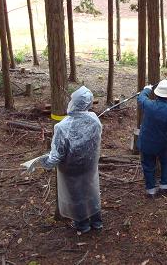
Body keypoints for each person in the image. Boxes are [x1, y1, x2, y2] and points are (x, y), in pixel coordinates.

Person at [40, 86, 103, 234]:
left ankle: (83, 225)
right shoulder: (94, 120)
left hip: (71, 169)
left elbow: (56, 156)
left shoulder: (62, 127)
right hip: (89, 166)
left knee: (77, 196)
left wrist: (43, 162)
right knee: (91, 191)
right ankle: (97, 222)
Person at [137, 79, 167, 198]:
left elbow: (140, 98)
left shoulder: (148, 105)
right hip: (164, 144)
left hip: (147, 143)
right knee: (166, 162)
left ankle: (151, 190)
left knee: (148, 165)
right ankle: (165, 185)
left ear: (156, 94)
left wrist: (146, 89)